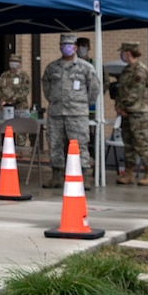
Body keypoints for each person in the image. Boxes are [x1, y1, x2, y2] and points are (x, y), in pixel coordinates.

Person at [42, 35, 95, 186]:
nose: (66, 47)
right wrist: (54, 100)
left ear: (75, 47)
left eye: (69, 45)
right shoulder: (52, 67)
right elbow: (46, 86)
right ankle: (56, 176)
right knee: (55, 143)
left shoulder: (86, 67)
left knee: (80, 145)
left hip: (77, 114)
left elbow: (94, 89)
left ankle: (83, 177)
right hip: (56, 113)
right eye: (63, 44)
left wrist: (82, 104)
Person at [114, 41, 148, 185]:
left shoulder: (140, 71)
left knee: (141, 143)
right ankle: (129, 173)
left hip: (139, 113)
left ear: (128, 53)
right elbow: (121, 91)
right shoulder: (127, 70)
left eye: (123, 52)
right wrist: (119, 106)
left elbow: (135, 93)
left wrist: (123, 106)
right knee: (129, 144)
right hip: (127, 112)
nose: (122, 55)